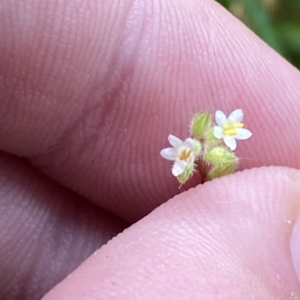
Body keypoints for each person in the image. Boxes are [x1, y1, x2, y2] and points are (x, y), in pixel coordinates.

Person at [1, 0, 300, 299]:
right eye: (186, 154)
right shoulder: (199, 147)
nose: (188, 154)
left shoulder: (211, 144)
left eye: (186, 154)